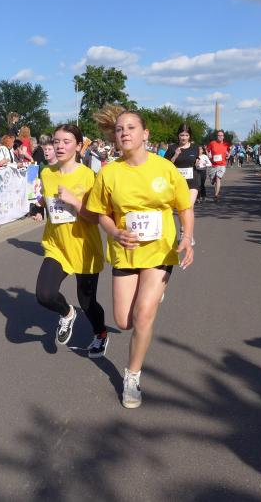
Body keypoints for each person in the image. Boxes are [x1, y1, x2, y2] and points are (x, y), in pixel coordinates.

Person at [88, 105, 194, 409]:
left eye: (131, 128)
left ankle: (132, 376)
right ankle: (152, 295)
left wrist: (187, 237)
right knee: (124, 320)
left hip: (160, 250)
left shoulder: (165, 168)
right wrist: (114, 232)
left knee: (144, 313)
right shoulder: (109, 173)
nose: (124, 133)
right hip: (126, 251)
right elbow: (100, 213)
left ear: (145, 134)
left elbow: (184, 206)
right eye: (120, 129)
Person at [34, 124, 108, 356]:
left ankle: (100, 333)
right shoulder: (46, 173)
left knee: (87, 303)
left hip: (84, 247)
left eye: (66, 142)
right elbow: (47, 199)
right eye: (56, 141)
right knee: (44, 295)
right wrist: (39, 207)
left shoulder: (89, 176)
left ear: (78, 146)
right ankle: (67, 313)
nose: (60, 146)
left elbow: (95, 218)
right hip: (57, 245)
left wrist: (74, 201)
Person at [165, 123, 200, 244]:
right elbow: (166, 165)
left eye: (186, 135)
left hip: (192, 181)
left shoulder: (195, 148)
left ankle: (189, 234)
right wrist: (175, 155)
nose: (184, 138)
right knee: (182, 208)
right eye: (182, 135)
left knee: (189, 206)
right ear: (178, 135)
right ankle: (183, 230)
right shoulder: (172, 148)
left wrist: (198, 163)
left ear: (189, 136)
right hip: (178, 183)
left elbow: (197, 161)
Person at [207, 130, 229, 200]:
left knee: (218, 178)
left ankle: (216, 194)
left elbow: (228, 152)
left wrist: (228, 155)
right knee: (214, 180)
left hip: (222, 164)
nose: (220, 137)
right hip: (213, 164)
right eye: (218, 135)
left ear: (223, 137)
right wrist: (208, 155)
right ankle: (215, 190)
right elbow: (207, 150)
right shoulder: (212, 143)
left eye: (221, 135)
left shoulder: (226, 144)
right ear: (217, 136)